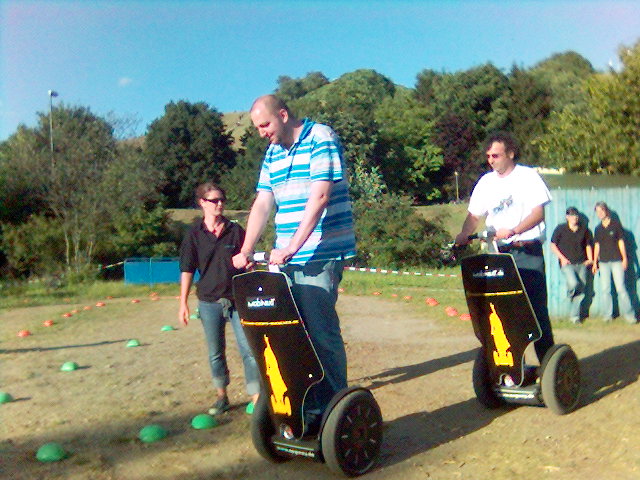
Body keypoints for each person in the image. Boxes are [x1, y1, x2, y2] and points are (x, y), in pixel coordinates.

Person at [232, 95, 356, 434]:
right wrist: (246, 248)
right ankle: (307, 406)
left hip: (319, 253)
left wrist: (291, 246)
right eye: (257, 128)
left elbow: (320, 196)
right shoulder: (273, 153)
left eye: (265, 125)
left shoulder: (321, 137)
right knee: (290, 333)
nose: (261, 133)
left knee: (319, 331)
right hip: (286, 256)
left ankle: (335, 412)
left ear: (283, 115)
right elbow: (262, 203)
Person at [454, 131, 554, 361]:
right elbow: (473, 215)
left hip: (526, 251)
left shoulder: (528, 177)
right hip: (498, 255)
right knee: (501, 312)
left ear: (510, 153)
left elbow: (538, 213)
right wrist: (463, 234)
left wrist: (515, 230)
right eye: (488, 156)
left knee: (535, 312)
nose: (491, 160)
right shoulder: (486, 182)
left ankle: (548, 365)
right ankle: (510, 367)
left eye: (496, 155)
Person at [179, 182, 260, 415]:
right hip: (208, 301)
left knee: (249, 350)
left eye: (222, 199)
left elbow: (249, 261)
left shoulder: (236, 231)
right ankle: (221, 396)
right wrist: (182, 302)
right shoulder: (194, 235)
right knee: (216, 352)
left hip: (237, 299)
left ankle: (255, 397)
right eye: (214, 200)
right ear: (202, 203)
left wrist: (250, 263)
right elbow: (187, 269)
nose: (220, 204)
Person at [592, 201, 636, 324]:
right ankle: (607, 316)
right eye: (597, 212)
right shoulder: (598, 229)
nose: (600, 213)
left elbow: (621, 243)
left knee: (621, 288)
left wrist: (624, 258)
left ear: (607, 211)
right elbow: (597, 246)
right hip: (604, 263)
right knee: (605, 290)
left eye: (602, 210)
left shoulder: (616, 225)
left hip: (617, 261)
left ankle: (630, 316)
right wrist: (595, 263)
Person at [550, 207, 593, 324]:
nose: (575, 218)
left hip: (581, 263)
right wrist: (562, 258)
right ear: (567, 217)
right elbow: (553, 245)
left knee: (581, 291)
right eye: (572, 215)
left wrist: (590, 259)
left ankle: (575, 317)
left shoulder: (584, 230)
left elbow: (588, 245)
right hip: (567, 264)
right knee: (574, 284)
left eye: (576, 216)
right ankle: (570, 295)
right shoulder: (560, 229)